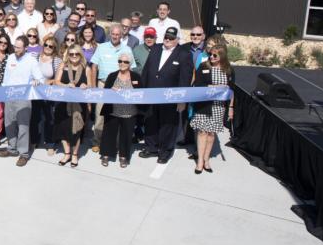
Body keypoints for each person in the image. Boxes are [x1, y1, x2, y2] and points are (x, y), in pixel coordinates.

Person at [139, 27, 194, 164]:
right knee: (150, 122)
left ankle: (165, 152)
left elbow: (185, 79)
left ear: (177, 39)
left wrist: (182, 100)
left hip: (170, 98)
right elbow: (146, 70)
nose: (168, 40)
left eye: (171, 38)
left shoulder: (184, 54)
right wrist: (142, 91)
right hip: (151, 95)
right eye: (166, 37)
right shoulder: (156, 49)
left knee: (168, 125)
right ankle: (151, 148)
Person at [0, 36, 47, 166]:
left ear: (25, 48)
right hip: (9, 96)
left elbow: (41, 79)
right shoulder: (11, 57)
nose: (15, 49)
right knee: (9, 123)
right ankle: (12, 148)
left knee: (23, 126)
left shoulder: (31, 60)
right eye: (15, 46)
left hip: (24, 98)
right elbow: (6, 77)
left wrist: (36, 81)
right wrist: (3, 92)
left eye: (18, 47)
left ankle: (24, 153)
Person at [190, 45, 235, 174]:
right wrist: (215, 86)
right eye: (210, 54)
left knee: (211, 134)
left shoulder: (229, 70)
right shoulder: (204, 66)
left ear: (222, 56)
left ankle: (206, 159)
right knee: (202, 132)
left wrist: (231, 107)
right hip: (204, 104)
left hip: (218, 106)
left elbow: (232, 91)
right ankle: (199, 161)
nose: (211, 57)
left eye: (215, 55)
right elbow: (197, 84)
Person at [99, 51, 141, 168]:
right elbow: (105, 92)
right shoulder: (112, 76)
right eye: (120, 61)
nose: (122, 63)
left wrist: (133, 94)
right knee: (108, 134)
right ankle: (106, 155)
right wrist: (111, 89)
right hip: (113, 111)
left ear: (130, 63)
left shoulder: (136, 77)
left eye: (125, 62)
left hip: (129, 112)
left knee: (126, 135)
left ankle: (123, 156)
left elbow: (141, 94)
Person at [89, 24, 128, 151]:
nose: (115, 36)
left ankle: (114, 143)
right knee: (100, 115)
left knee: (116, 116)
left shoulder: (127, 49)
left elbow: (130, 70)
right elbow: (94, 66)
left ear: (121, 35)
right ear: (110, 34)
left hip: (119, 86)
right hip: (103, 85)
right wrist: (94, 87)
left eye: (118, 34)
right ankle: (97, 141)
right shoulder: (102, 47)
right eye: (113, 34)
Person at [53, 44, 92, 167]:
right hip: (63, 103)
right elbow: (56, 82)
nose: (74, 56)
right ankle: (67, 153)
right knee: (63, 129)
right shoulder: (63, 66)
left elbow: (91, 86)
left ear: (81, 55)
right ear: (68, 55)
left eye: (77, 54)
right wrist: (66, 86)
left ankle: (75, 155)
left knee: (77, 130)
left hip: (79, 105)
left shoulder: (87, 68)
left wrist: (86, 86)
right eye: (71, 54)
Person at [31, 34, 61, 155]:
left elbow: (58, 78)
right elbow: (29, 72)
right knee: (35, 118)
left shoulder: (57, 60)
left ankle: (49, 142)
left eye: (51, 46)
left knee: (50, 119)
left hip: (49, 93)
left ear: (55, 48)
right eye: (46, 45)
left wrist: (51, 81)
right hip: (35, 92)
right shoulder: (35, 56)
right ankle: (34, 141)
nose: (48, 47)